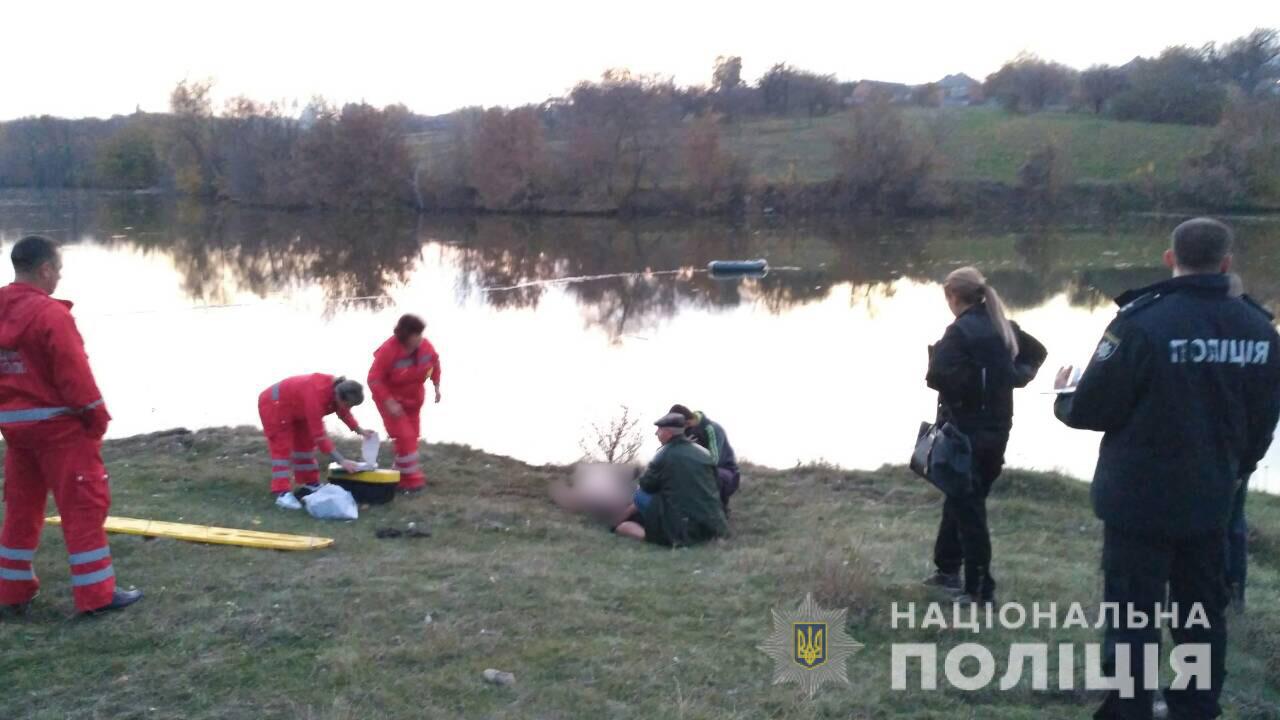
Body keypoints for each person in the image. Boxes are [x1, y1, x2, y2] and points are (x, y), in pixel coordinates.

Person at [1053, 218, 1280, 720]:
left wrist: (1064, 398)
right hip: (1211, 499)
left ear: (1169, 259)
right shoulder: (1260, 329)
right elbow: (1265, 420)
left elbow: (1092, 409)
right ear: (1226, 263)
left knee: (1133, 612)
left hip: (1138, 500)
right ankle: (1196, 705)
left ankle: (1130, 707)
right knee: (1201, 611)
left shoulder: (1141, 322)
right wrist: (1236, 467)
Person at [0, 236, 142, 616]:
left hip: (16, 433)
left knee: (20, 510)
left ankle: (11, 591)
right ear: (45, 269)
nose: (58, 279)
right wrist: (97, 418)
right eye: (57, 271)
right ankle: (96, 595)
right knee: (83, 509)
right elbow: (74, 376)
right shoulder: (50, 315)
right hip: (61, 431)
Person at [923, 267, 1047, 604]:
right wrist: (1010, 377)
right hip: (998, 428)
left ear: (952, 296)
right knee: (961, 497)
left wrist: (969, 388)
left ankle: (980, 589)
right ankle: (947, 569)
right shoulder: (1002, 325)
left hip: (965, 431)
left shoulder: (959, 332)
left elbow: (937, 376)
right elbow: (1036, 353)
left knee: (969, 508)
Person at [612, 413, 730, 547]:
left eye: (659, 430)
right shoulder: (704, 453)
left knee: (640, 495)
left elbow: (647, 485)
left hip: (682, 525)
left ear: (667, 433)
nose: (656, 433)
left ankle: (632, 529)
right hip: (713, 525)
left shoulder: (664, 454)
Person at [257, 374, 374, 497]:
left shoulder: (338, 392)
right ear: (338, 396)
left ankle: (310, 484)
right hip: (275, 404)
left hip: (297, 409)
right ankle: (281, 492)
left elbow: (343, 412)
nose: (348, 408)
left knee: (305, 446)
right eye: (348, 405)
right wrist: (341, 460)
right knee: (282, 448)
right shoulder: (316, 395)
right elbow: (319, 436)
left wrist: (359, 430)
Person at [367, 314, 441, 493]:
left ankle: (399, 474)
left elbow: (434, 363)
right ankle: (410, 481)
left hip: (414, 400)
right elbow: (374, 379)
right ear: (407, 336)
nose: (420, 339)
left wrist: (436, 385)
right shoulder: (388, 351)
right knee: (405, 436)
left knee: (412, 437)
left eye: (421, 334)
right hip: (391, 403)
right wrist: (389, 402)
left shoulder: (425, 346)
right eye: (417, 335)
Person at [669, 404, 741, 512]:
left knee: (702, 475)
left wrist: (690, 450)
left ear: (686, 422)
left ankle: (719, 509)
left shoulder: (713, 429)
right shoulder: (686, 431)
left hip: (726, 473)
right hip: (700, 472)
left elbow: (713, 461)